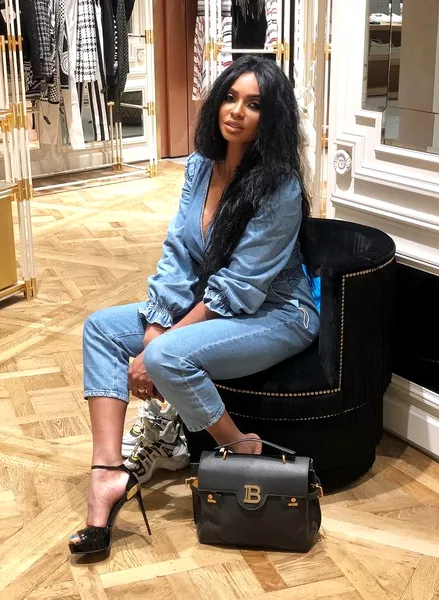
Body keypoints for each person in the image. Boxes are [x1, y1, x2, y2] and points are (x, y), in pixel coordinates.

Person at [68, 55, 320, 556]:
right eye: (230, 97)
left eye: (254, 105)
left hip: (276, 312)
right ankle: (108, 474)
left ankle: (239, 444)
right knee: (101, 328)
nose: (236, 111)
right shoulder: (202, 165)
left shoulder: (281, 187)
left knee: (166, 357)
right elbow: (179, 253)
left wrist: (158, 348)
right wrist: (156, 324)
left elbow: (240, 287)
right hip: (216, 303)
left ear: (272, 118)